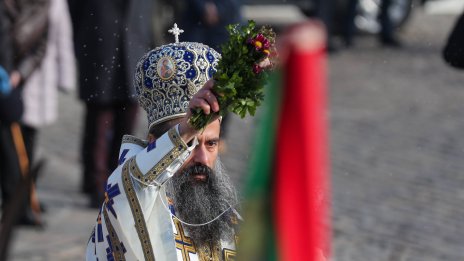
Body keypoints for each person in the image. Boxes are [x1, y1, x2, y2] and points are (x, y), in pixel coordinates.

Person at [86, 30, 240, 260]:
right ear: (154, 146)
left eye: (211, 144)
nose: (203, 159)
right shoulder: (127, 198)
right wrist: (185, 130)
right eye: (190, 144)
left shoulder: (232, 223)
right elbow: (136, 180)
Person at [67, 0, 156, 207]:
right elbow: (74, 11)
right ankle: (96, 182)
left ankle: (118, 178)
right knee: (99, 123)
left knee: (127, 125)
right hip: (99, 49)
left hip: (134, 50)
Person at [0, 0, 50, 226]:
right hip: (6, 75)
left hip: (13, 82)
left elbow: (40, 47)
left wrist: (17, 74)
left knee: (15, 146)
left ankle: (17, 204)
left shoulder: (42, 8)